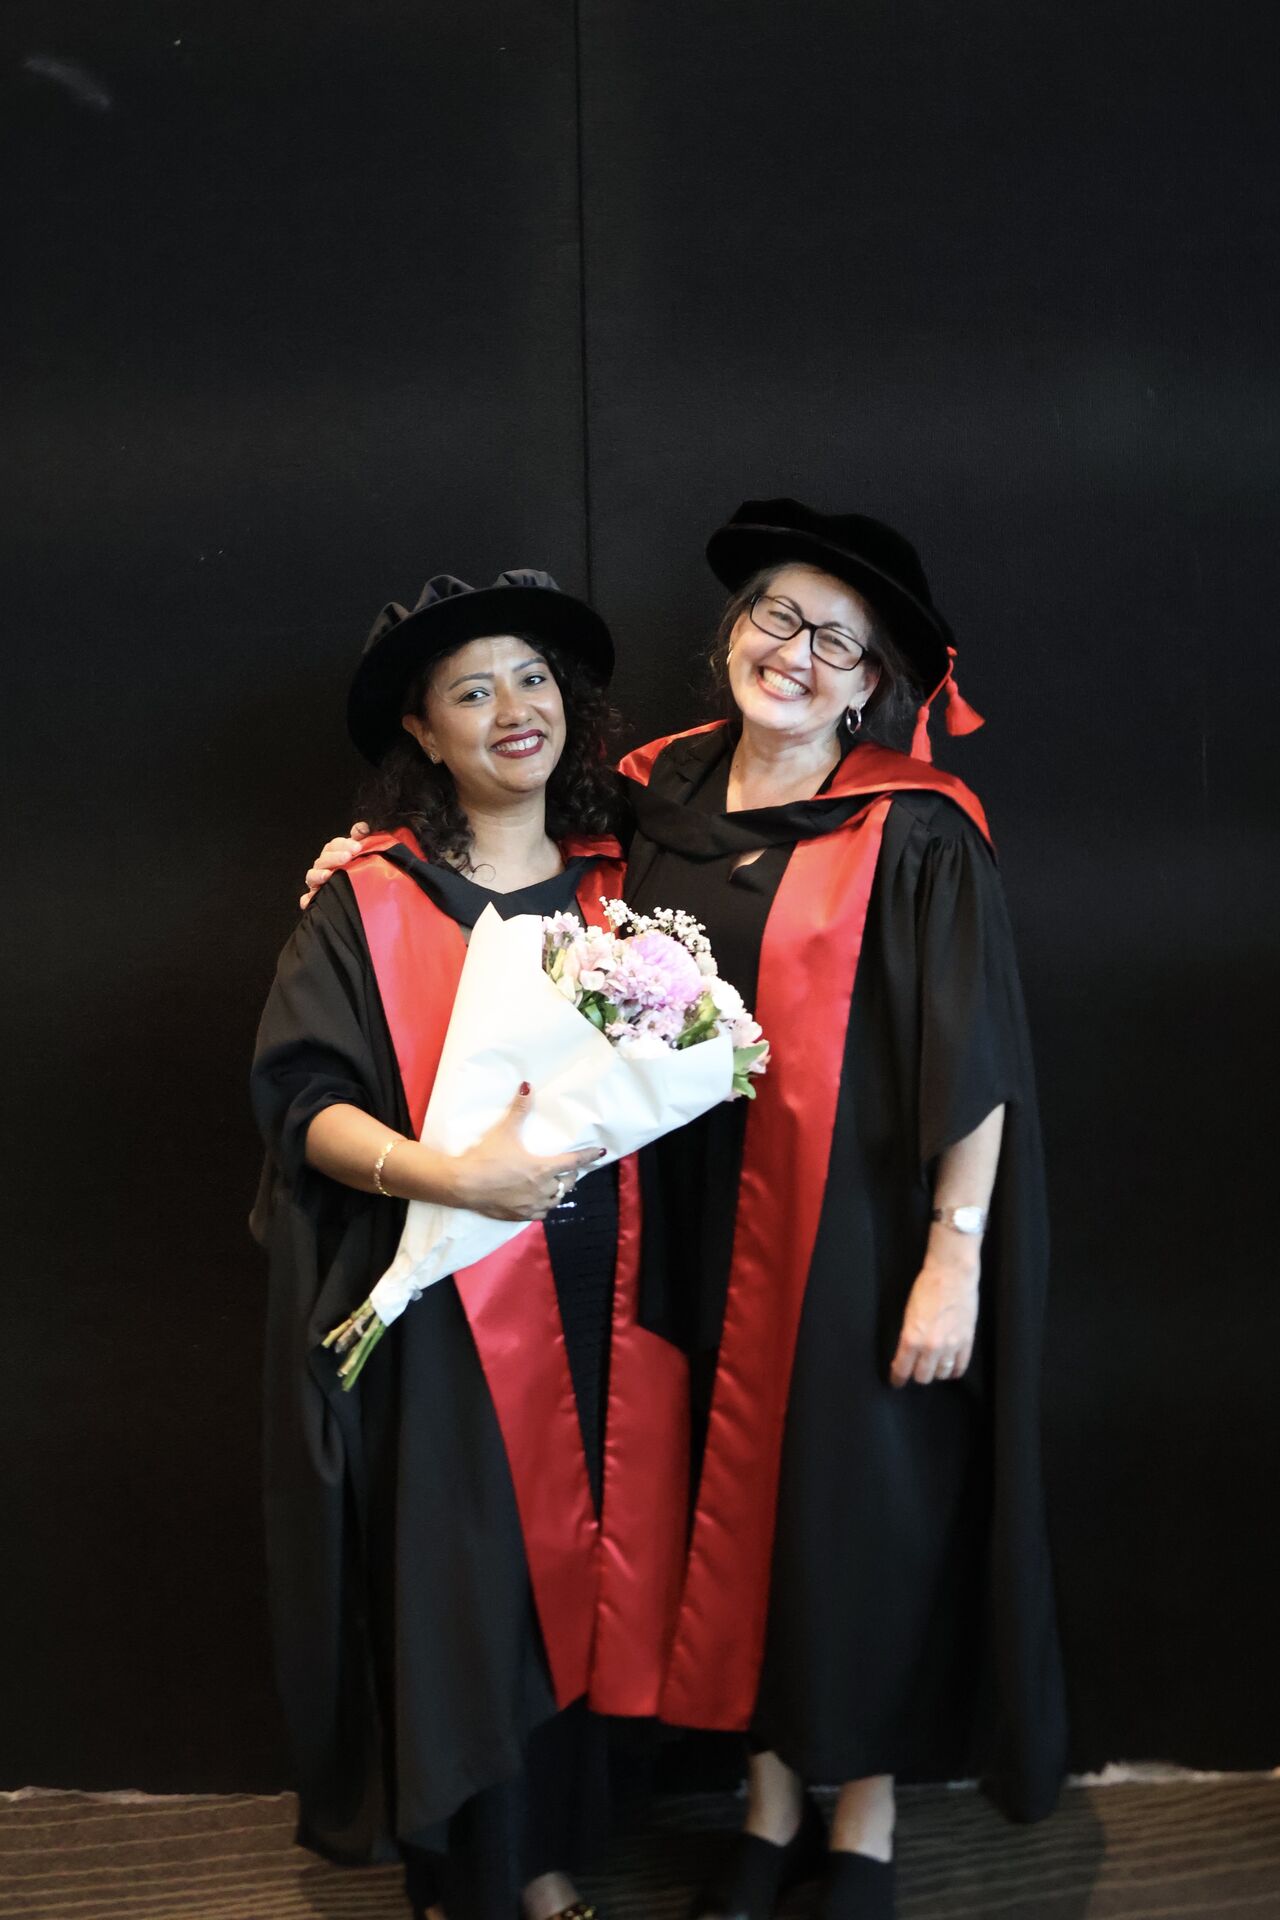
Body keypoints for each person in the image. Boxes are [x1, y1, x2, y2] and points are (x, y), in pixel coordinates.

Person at [301, 503, 1067, 1920]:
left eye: (837, 640)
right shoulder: (649, 793)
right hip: (688, 1235)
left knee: (854, 1518)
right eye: (776, 616)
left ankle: (865, 1830)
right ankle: (770, 1807)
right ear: (730, 631)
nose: (797, 652)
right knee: (742, 1520)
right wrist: (362, 858)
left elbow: (978, 1057)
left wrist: (953, 1252)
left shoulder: (915, 827)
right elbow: (493, 870)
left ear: (870, 683)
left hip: (854, 1238)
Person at [251, 569, 688, 1920]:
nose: (516, 708)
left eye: (535, 679)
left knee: (583, 1569)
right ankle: (470, 1871)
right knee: (467, 1583)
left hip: (605, 1297)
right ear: (426, 736)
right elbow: (302, 1105)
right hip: (444, 1300)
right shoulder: (371, 900)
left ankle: (548, 1853)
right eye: (473, 689)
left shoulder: (626, 890)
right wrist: (449, 1172)